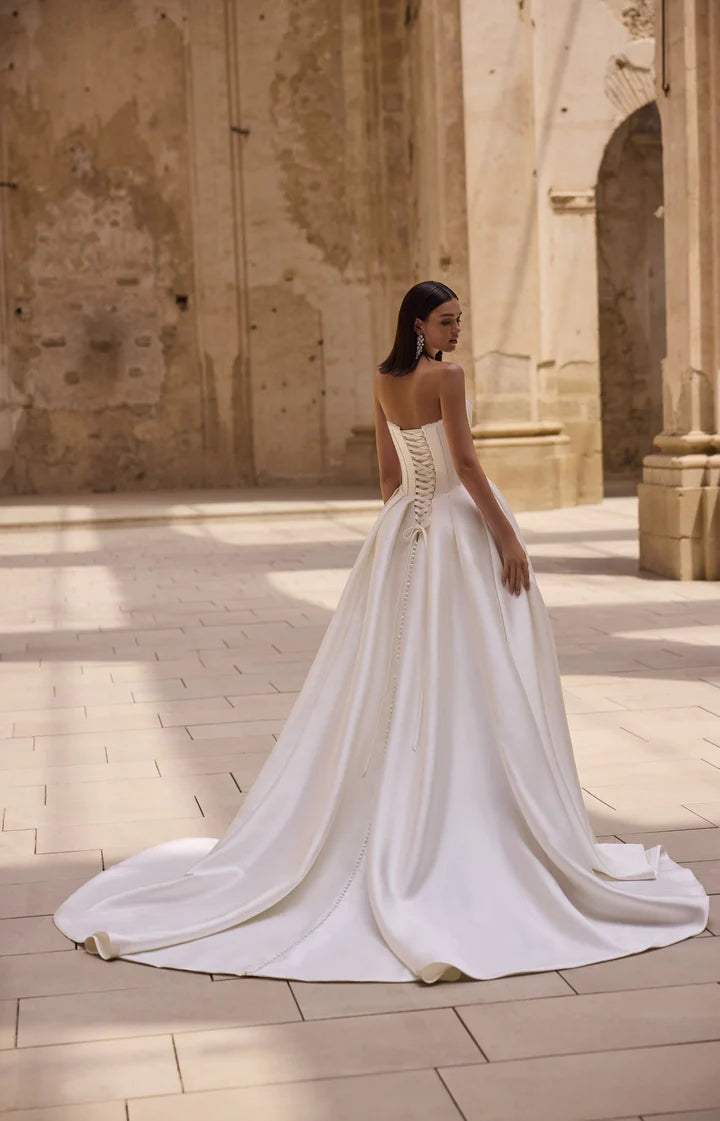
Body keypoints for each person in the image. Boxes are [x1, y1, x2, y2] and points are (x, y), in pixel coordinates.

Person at [53, 280, 709, 984]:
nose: (458, 331)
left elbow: (389, 477)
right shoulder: (445, 378)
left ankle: (408, 791)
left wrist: (405, 535)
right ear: (419, 324)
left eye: (462, 319)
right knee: (471, 667)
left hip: (404, 531)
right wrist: (504, 540)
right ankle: (462, 805)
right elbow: (464, 464)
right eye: (448, 321)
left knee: (396, 670)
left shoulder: (384, 376)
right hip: (457, 525)